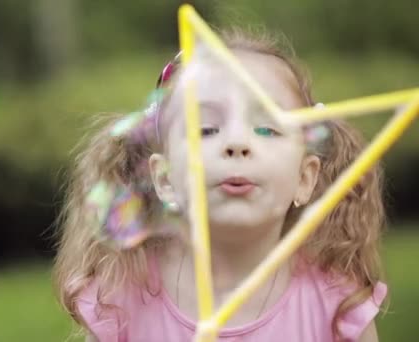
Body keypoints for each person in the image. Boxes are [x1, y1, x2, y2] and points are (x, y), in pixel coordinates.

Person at [53, 28, 387, 342]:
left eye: (267, 128)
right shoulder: (121, 302)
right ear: (165, 180)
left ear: (304, 179)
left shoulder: (338, 306)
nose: (237, 143)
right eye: (206, 129)